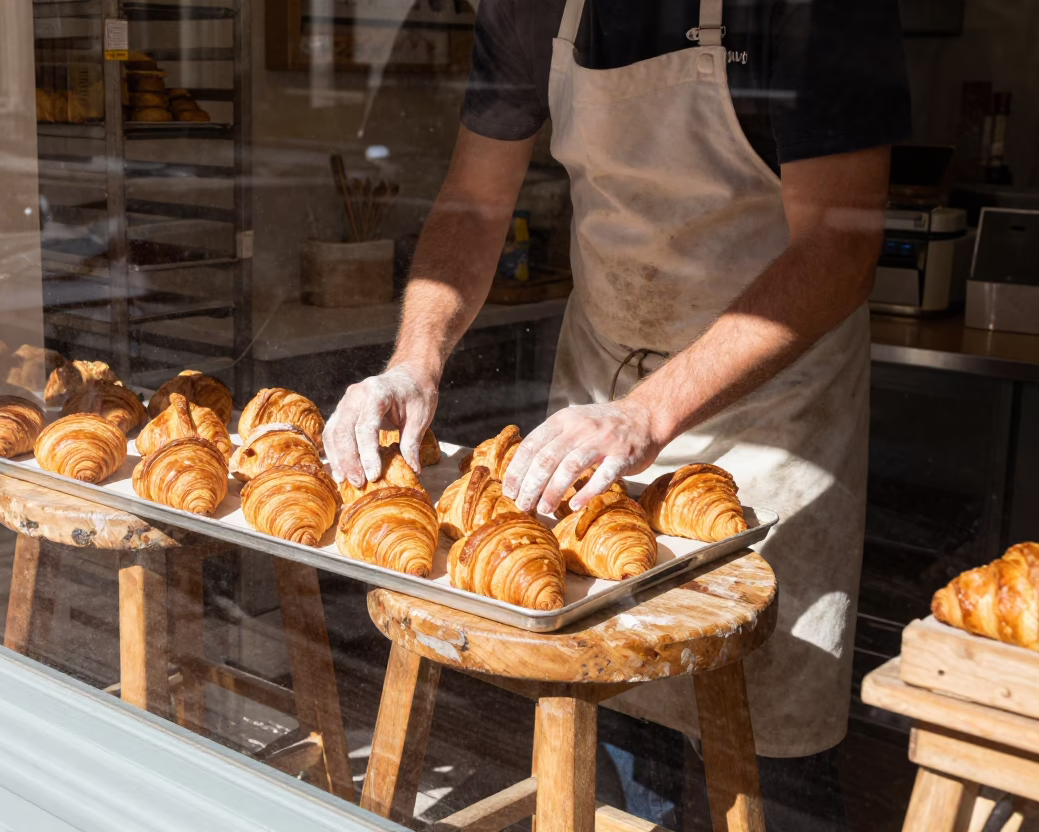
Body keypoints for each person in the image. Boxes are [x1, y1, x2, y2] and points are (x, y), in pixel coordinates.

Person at [325, 0, 910, 825]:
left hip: (774, 413)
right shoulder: (530, 8)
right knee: (622, 722)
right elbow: (473, 199)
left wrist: (647, 414)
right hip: (599, 401)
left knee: (769, 754)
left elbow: (839, 247)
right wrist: (415, 363)